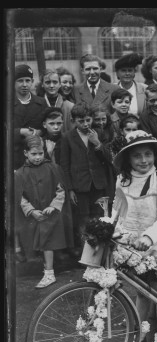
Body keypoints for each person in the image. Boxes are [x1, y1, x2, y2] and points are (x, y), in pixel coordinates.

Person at [112, 130, 157, 342]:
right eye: (137, 156)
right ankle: (139, 335)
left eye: (148, 154)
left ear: (155, 156)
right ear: (128, 159)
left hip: (153, 242)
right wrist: (113, 231)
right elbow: (117, 209)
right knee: (140, 290)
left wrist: (149, 237)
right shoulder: (123, 180)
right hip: (130, 242)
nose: (143, 160)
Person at [15, 135, 74, 287]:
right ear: (25, 153)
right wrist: (31, 210)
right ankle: (46, 270)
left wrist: (53, 206)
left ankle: (49, 273)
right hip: (34, 215)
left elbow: (60, 190)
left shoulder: (52, 168)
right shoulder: (20, 173)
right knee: (38, 243)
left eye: (40, 153)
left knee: (48, 243)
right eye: (33, 154)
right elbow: (20, 197)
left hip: (49, 214)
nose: (37, 157)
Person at [59, 102, 110, 251]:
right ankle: (86, 251)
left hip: (98, 184)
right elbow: (64, 165)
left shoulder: (98, 133)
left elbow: (109, 159)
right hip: (79, 186)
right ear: (73, 121)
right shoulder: (67, 137)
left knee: (99, 217)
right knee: (83, 219)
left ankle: (100, 251)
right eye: (81, 121)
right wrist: (70, 189)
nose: (86, 124)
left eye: (88, 120)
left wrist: (98, 143)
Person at [14, 64, 47, 263]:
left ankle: (38, 247)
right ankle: (20, 248)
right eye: (20, 81)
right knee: (19, 203)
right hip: (15, 160)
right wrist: (20, 132)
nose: (25, 85)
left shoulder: (40, 102)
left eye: (28, 80)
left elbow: (48, 125)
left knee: (37, 201)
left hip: (36, 160)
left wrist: (39, 133)